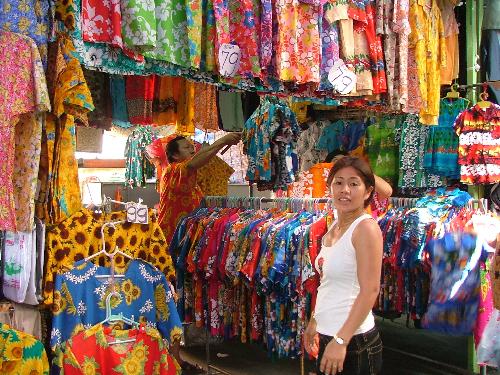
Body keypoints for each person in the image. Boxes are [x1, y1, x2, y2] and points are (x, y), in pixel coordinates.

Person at [304, 156, 385, 375]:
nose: (345, 190)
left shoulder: (365, 229)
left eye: (353, 183)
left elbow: (370, 290)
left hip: (355, 343)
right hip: (330, 336)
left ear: (368, 192)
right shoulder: (333, 230)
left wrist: (341, 340)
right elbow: (327, 284)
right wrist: (315, 321)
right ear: (330, 188)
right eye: (338, 183)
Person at [157, 132, 241, 244]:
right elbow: (192, 163)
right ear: (175, 155)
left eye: (192, 147)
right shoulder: (172, 170)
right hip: (172, 236)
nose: (192, 150)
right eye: (186, 147)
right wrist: (222, 141)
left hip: (187, 234)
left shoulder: (190, 175)